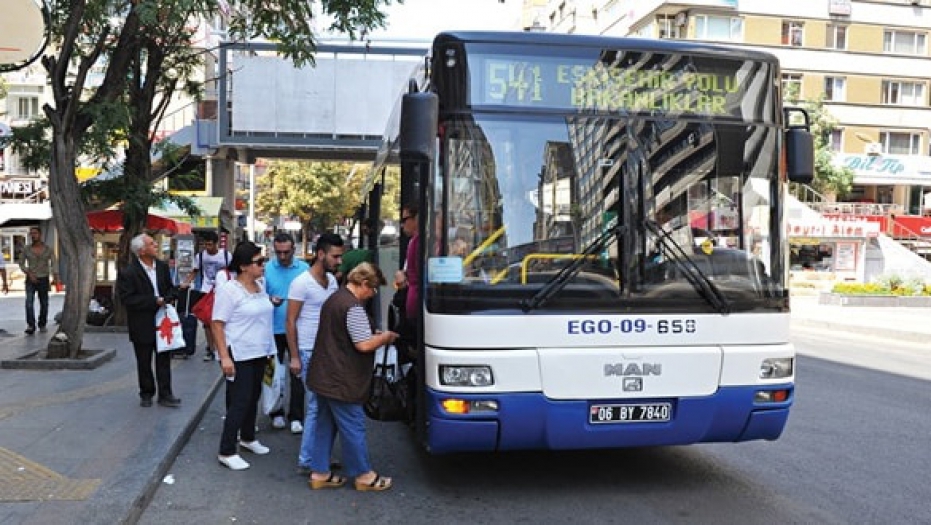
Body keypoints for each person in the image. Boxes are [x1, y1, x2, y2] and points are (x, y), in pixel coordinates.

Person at [306, 262, 398, 491]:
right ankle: (364, 475)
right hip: (342, 380)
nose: (373, 294)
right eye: (373, 289)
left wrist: (371, 335)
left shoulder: (335, 298)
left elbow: (341, 335)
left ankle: (319, 472)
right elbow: (364, 345)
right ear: (364, 283)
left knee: (325, 425)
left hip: (323, 374)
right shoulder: (353, 307)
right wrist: (385, 338)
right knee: (352, 426)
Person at [212, 241, 275, 471]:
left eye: (263, 261)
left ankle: (248, 438)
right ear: (244, 266)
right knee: (239, 401)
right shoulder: (230, 290)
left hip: (260, 351)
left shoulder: (260, 285)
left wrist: (270, 350)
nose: (263, 266)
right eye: (259, 262)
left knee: (253, 397)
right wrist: (224, 357)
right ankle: (226, 450)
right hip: (239, 353)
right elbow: (217, 324)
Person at [286, 233, 344, 475]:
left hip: (326, 351)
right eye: (335, 256)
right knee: (317, 406)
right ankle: (308, 459)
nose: (339, 261)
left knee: (324, 406)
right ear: (321, 254)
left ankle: (317, 456)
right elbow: (290, 321)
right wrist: (295, 356)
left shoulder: (331, 280)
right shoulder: (301, 283)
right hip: (308, 351)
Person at [116, 234, 181, 408]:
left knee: (164, 359)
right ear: (142, 250)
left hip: (163, 322)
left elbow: (169, 288)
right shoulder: (129, 272)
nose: (156, 246)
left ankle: (166, 394)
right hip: (142, 323)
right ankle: (146, 392)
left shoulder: (162, 267)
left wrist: (171, 296)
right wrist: (154, 301)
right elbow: (128, 299)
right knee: (144, 361)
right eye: (152, 244)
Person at [264, 232, 309, 433]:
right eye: (278, 252)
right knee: (274, 373)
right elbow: (256, 293)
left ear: (294, 249)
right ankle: (276, 411)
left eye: (286, 252)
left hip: (298, 329)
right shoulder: (266, 269)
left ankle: (297, 415)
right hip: (272, 328)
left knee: (297, 372)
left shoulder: (304, 269)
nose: (282, 256)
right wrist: (268, 299)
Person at [181, 231, 230, 361]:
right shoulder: (201, 256)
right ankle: (210, 348)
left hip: (223, 291)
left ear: (216, 244)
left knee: (221, 320)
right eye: (205, 245)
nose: (207, 247)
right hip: (206, 291)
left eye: (210, 244)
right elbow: (195, 271)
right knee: (207, 322)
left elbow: (233, 272)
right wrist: (186, 282)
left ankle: (223, 346)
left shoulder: (225, 255)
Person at [18, 226, 58, 334]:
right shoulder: (26, 249)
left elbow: (54, 263)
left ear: (40, 235)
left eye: (35, 233)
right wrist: (28, 273)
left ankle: (42, 324)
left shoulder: (48, 249)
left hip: (43, 278)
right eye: (31, 233)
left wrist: (55, 277)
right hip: (31, 279)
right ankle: (31, 325)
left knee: (44, 303)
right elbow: (21, 263)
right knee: (29, 302)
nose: (33, 235)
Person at [393, 204, 420, 324]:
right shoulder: (414, 241)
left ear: (417, 218)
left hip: (415, 303)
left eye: (405, 220)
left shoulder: (418, 241)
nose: (402, 225)